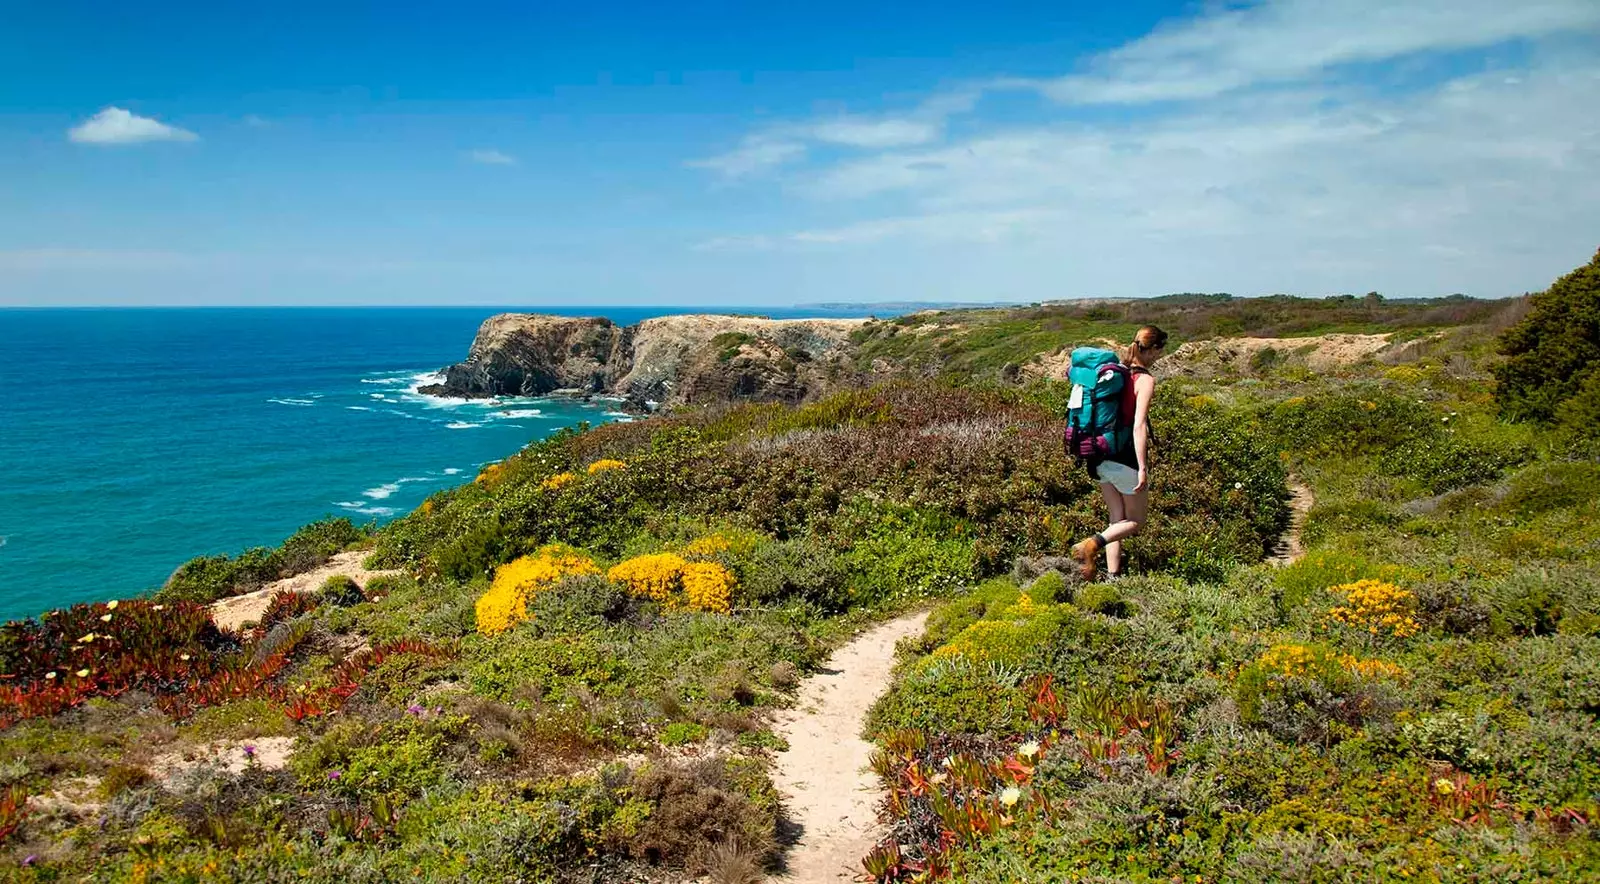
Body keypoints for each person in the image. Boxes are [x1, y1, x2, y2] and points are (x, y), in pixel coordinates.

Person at [1070, 325, 1168, 581]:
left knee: (1117, 520)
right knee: (1136, 522)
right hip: (1124, 457)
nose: (1159, 356)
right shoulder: (1144, 380)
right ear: (1154, 350)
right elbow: (1139, 425)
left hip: (1098, 453)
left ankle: (1113, 577)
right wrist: (1143, 467)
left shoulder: (1117, 374)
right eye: (1160, 351)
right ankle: (1089, 545)